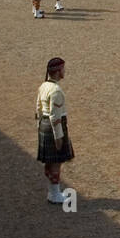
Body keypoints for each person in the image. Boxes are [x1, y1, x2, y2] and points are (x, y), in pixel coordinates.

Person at [36, 57, 74, 204]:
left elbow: (38, 108)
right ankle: (55, 194)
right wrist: (59, 136)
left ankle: (53, 192)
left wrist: (39, 125)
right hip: (54, 127)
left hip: (43, 125)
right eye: (63, 69)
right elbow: (55, 116)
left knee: (51, 162)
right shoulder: (56, 91)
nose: (64, 71)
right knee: (56, 162)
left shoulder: (43, 86)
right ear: (58, 72)